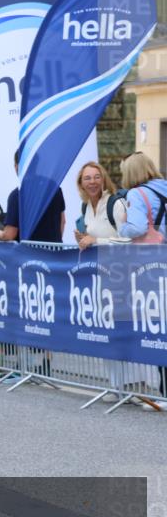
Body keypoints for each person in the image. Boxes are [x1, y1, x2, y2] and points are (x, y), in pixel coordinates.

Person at [116, 152, 167, 410]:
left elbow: (135, 228)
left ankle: (164, 393)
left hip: (151, 266)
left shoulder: (136, 194)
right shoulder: (165, 187)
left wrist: (122, 225)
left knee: (159, 329)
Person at [0, 150, 66, 242]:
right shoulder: (54, 187)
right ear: (36, 165)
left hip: (29, 254)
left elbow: (10, 235)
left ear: (16, 167)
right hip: (54, 252)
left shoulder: (17, 195)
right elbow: (62, 221)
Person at [74, 161, 128, 249]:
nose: (92, 181)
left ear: (104, 180)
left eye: (97, 177)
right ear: (81, 184)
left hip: (117, 262)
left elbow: (127, 240)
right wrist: (83, 239)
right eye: (87, 178)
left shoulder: (115, 204)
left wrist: (96, 240)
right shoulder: (84, 206)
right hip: (95, 261)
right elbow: (91, 238)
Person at [117, 151, 167, 243]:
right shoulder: (164, 185)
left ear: (129, 173)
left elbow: (138, 228)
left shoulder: (136, 194)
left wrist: (122, 228)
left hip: (156, 253)